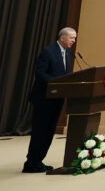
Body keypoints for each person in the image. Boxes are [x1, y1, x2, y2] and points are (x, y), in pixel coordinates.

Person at [23, 27, 77, 173]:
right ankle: (31, 163)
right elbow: (40, 72)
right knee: (40, 131)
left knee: (49, 131)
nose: (73, 40)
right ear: (62, 38)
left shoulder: (67, 52)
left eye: (74, 38)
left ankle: (39, 161)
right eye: (71, 37)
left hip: (57, 98)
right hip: (43, 98)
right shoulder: (48, 52)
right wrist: (56, 83)